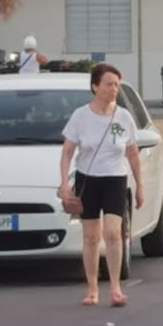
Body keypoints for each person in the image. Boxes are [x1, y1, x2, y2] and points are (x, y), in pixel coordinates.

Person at [58, 64, 144, 308]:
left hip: (115, 179)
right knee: (91, 236)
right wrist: (65, 184)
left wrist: (140, 185)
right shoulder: (80, 116)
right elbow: (67, 153)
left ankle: (116, 287)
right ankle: (92, 288)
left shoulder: (123, 117)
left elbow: (133, 153)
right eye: (109, 84)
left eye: (117, 84)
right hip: (88, 179)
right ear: (95, 86)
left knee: (114, 233)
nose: (114, 89)